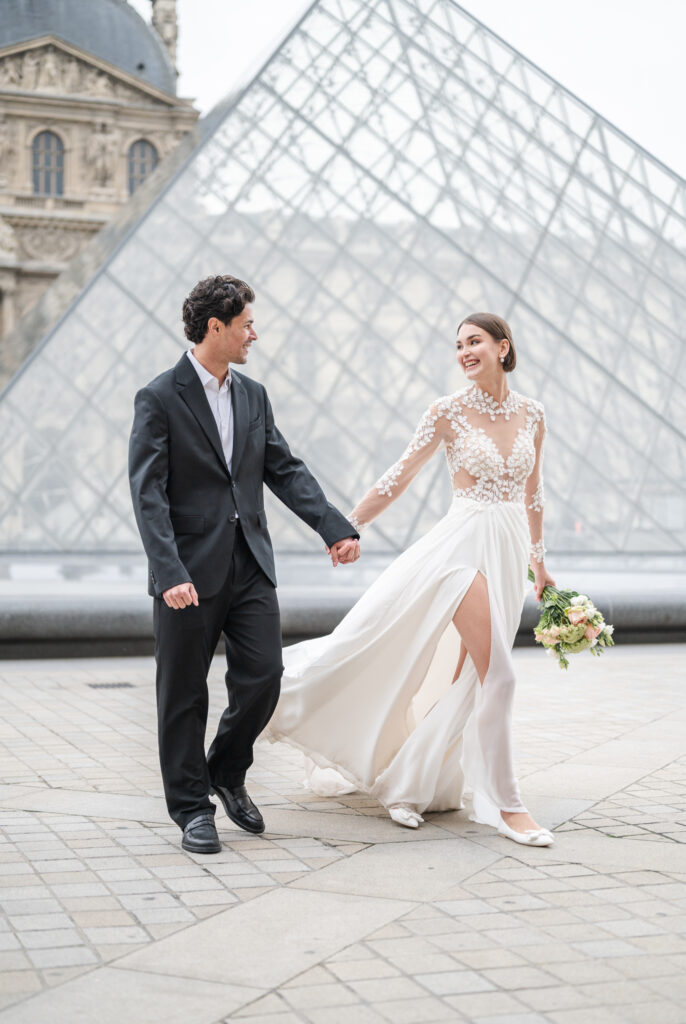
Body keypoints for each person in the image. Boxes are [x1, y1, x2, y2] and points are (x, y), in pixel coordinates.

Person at [268, 313, 556, 847]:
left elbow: (533, 495)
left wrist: (540, 566)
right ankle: (509, 808)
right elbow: (397, 477)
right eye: (459, 345)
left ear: (503, 346)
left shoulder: (534, 415)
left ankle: (409, 783)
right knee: (501, 676)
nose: (465, 352)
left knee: (466, 680)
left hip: (508, 550)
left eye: (475, 342)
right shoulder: (447, 412)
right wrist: (345, 526)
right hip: (461, 551)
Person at [128, 275, 359, 854]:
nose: (254, 334)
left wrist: (332, 527)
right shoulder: (159, 397)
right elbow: (148, 493)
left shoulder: (253, 395)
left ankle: (226, 769)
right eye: (246, 325)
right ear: (216, 327)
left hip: (250, 564)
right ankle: (191, 811)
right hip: (187, 573)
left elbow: (282, 467)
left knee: (263, 677)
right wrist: (169, 570)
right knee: (183, 695)